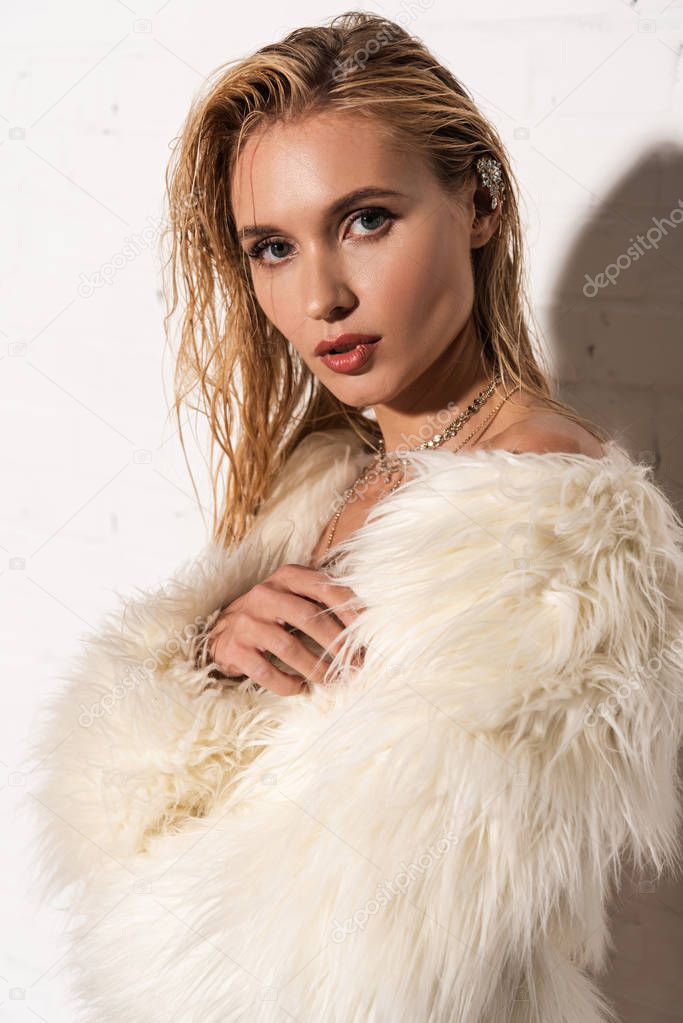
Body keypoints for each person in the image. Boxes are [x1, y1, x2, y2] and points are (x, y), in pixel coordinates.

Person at [29, 12, 683, 1022]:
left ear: (478, 202)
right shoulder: (328, 481)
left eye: (365, 219)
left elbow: (368, 953)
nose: (320, 296)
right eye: (272, 247)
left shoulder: (553, 527)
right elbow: (137, 816)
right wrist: (200, 664)